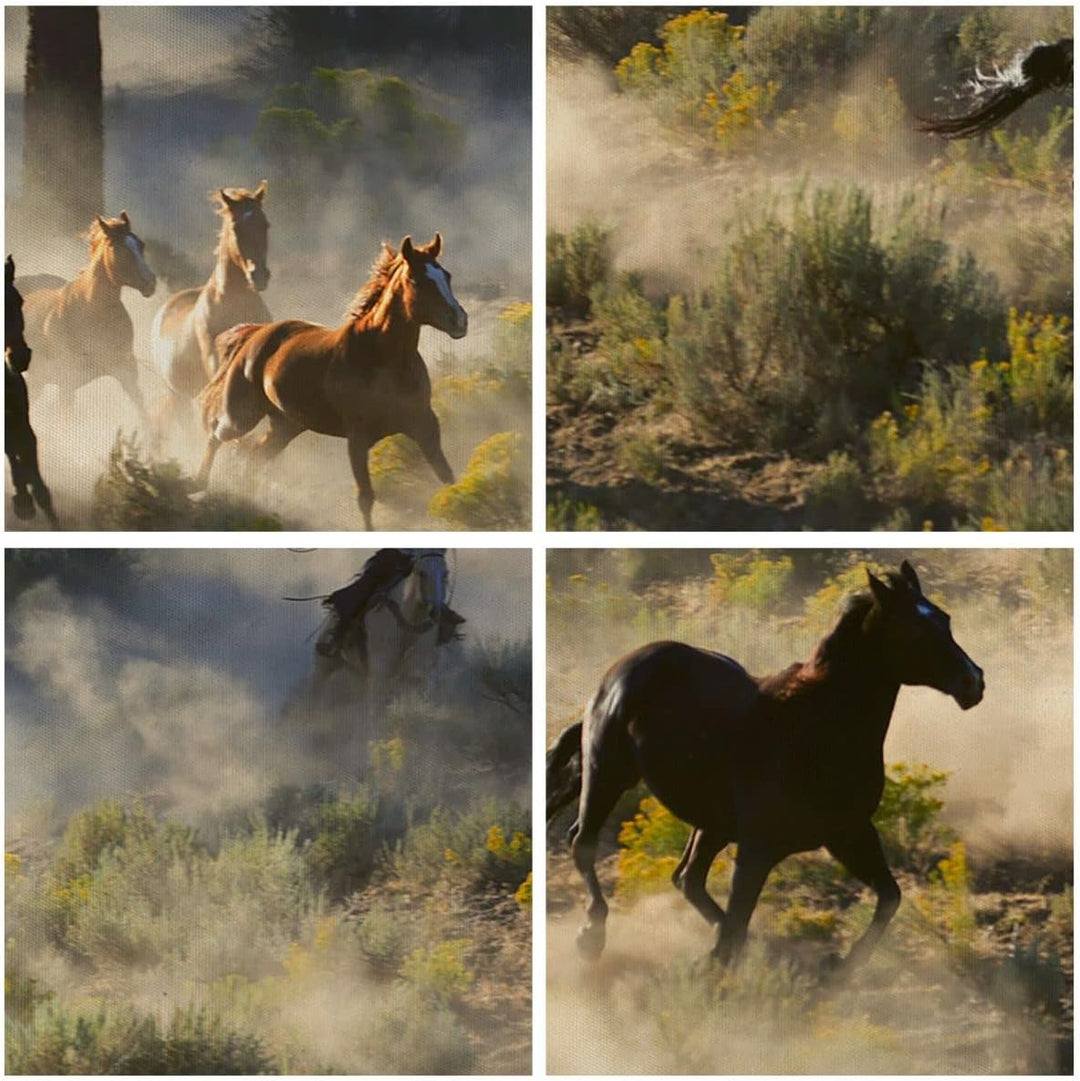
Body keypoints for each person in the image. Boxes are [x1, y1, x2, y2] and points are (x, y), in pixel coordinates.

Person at [315, 549, 464, 659]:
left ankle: (447, 640)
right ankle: (337, 635)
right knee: (362, 588)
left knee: (435, 587)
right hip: (393, 557)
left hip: (425, 557)